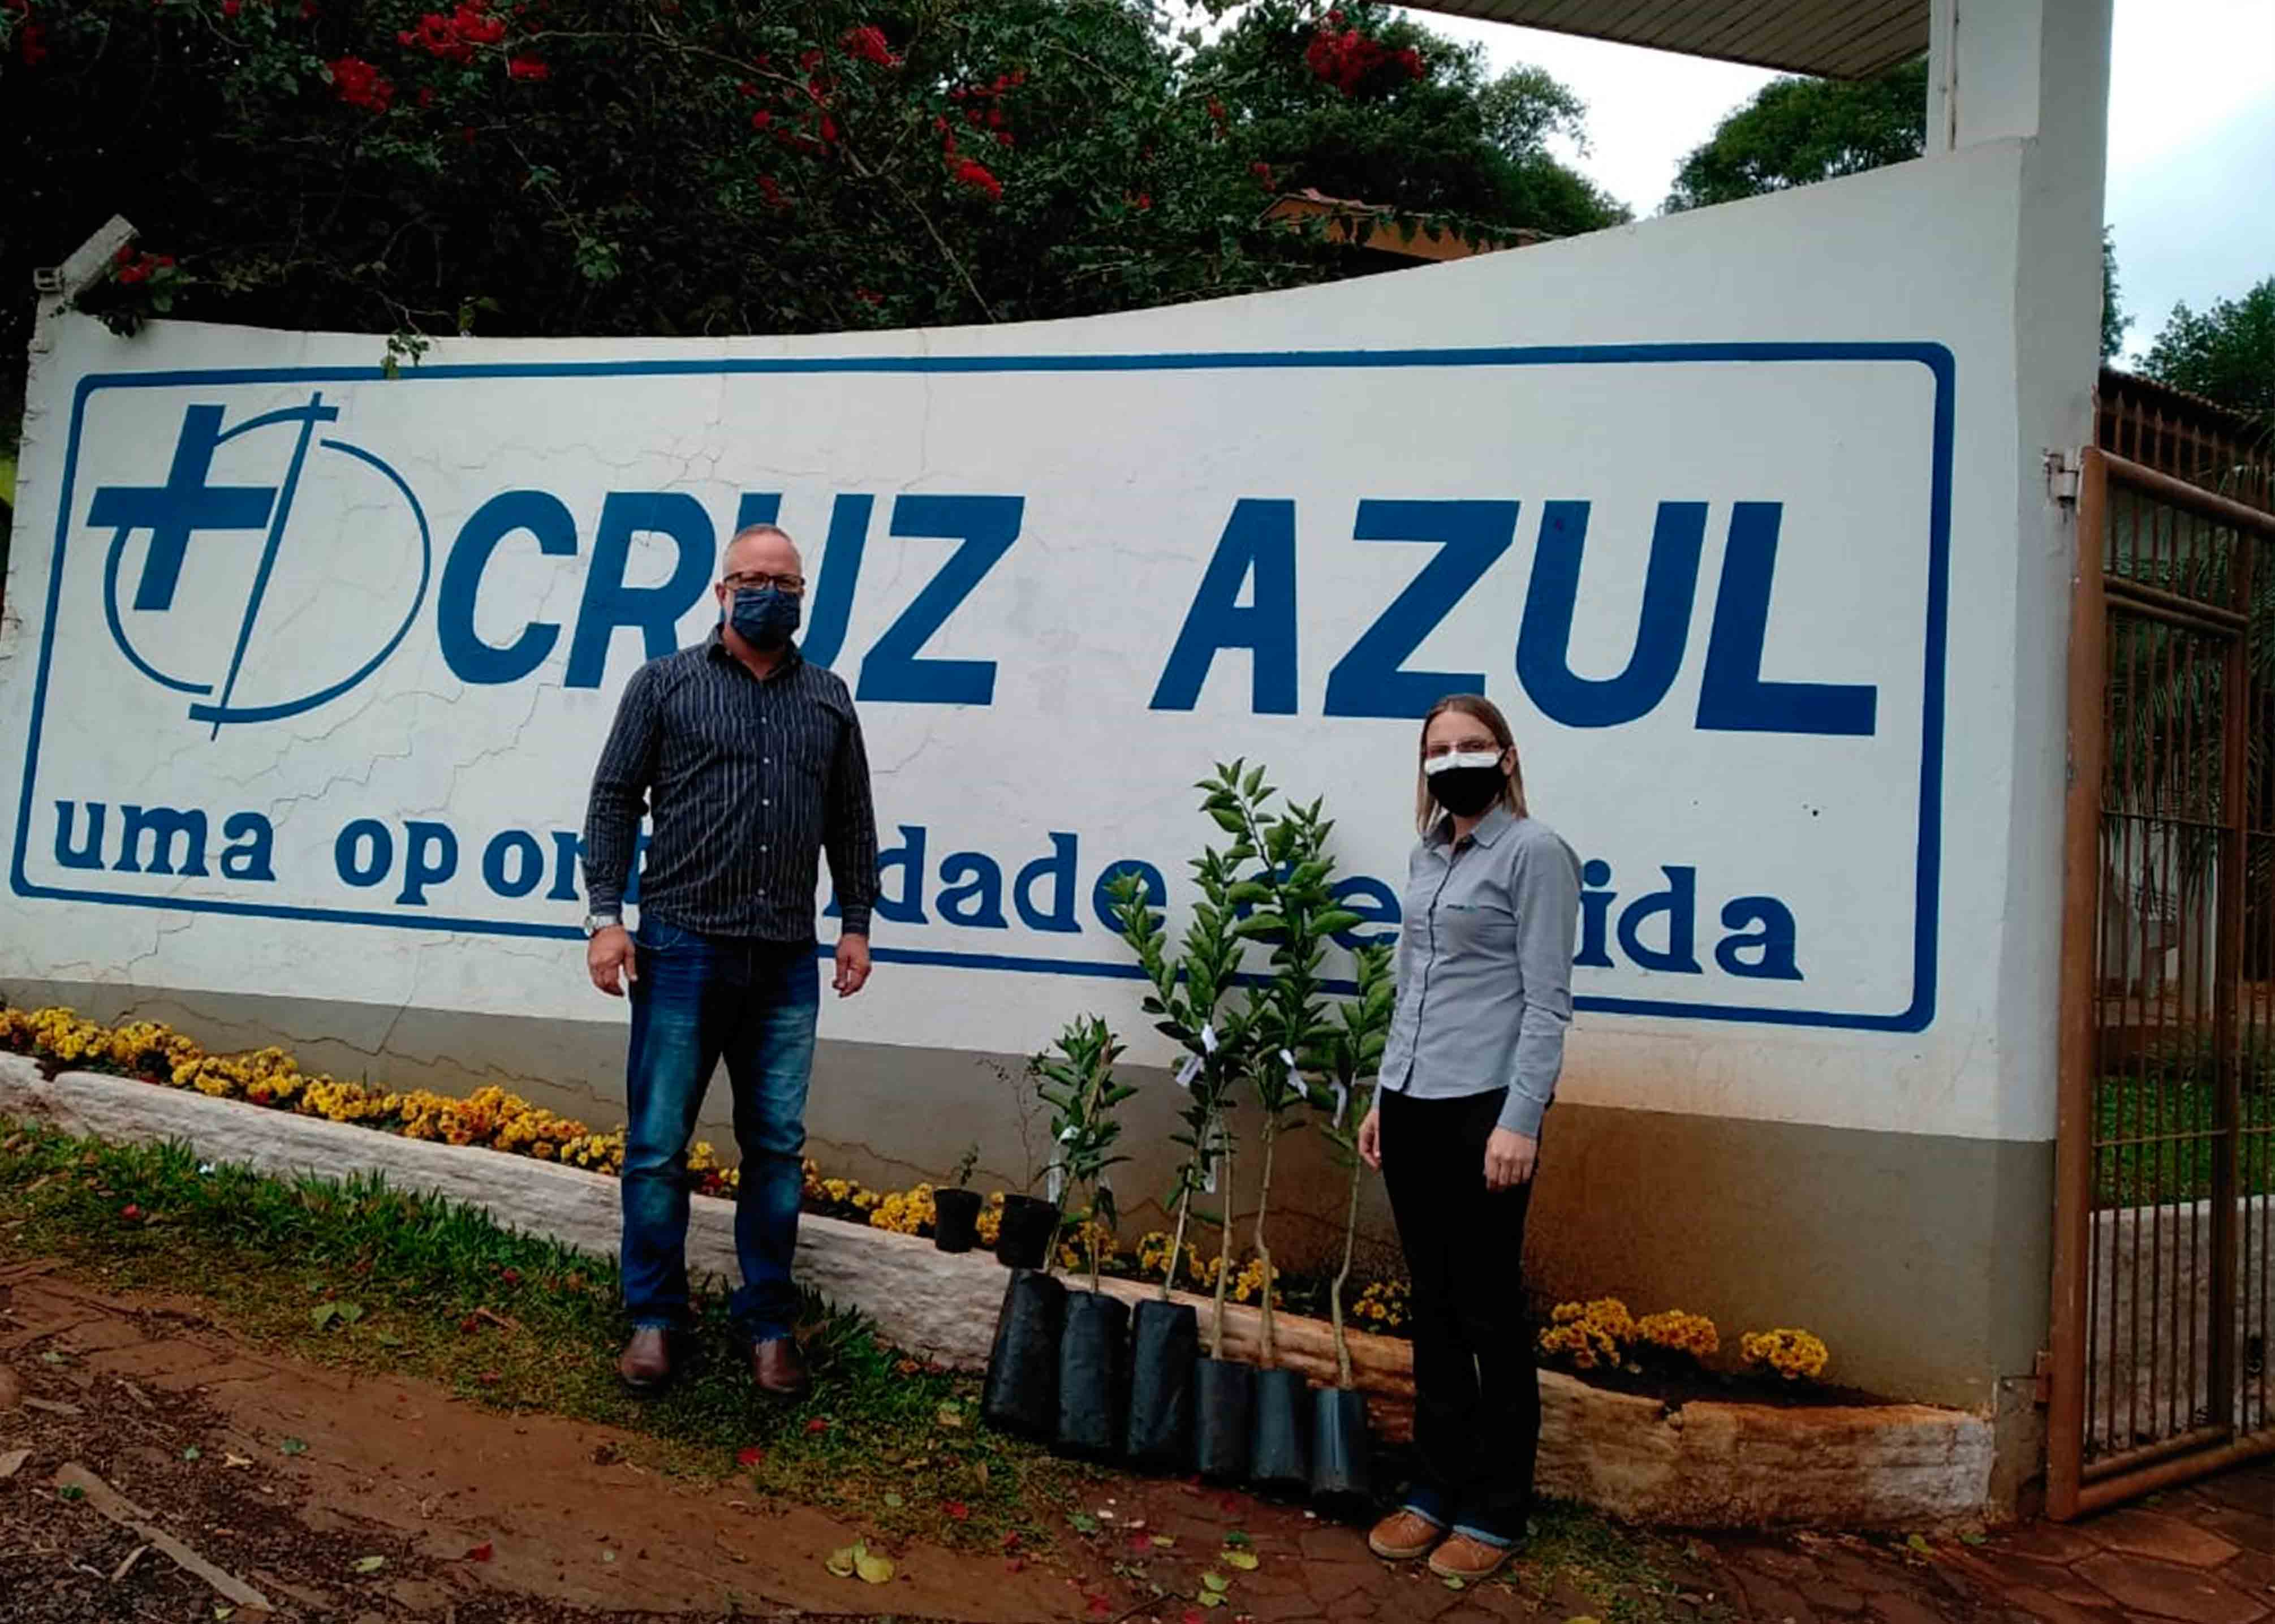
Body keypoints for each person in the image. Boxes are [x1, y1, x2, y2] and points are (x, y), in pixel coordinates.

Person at [580, 522, 879, 1400]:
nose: (767, 595)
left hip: (785, 961)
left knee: (777, 1150)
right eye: (751, 579)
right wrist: (606, 917)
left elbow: (851, 822)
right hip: (680, 949)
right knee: (658, 1146)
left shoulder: (827, 698)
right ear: (719, 592)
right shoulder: (664, 684)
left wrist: (854, 922)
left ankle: (768, 1327)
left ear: (802, 596)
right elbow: (610, 802)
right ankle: (655, 1321)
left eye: (783, 584)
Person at [1357, 692, 1580, 1583]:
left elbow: (1547, 999)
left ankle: (1497, 1508)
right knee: (1433, 1306)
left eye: (1472, 745)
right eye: (1439, 749)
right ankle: (1433, 1489)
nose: (1455, 760)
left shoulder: (1534, 854)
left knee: (1487, 1309)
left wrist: (1519, 1119)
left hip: (1484, 1110)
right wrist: (1382, 1095)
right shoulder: (1425, 855)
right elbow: (1411, 986)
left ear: (1507, 756)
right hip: (1412, 1100)